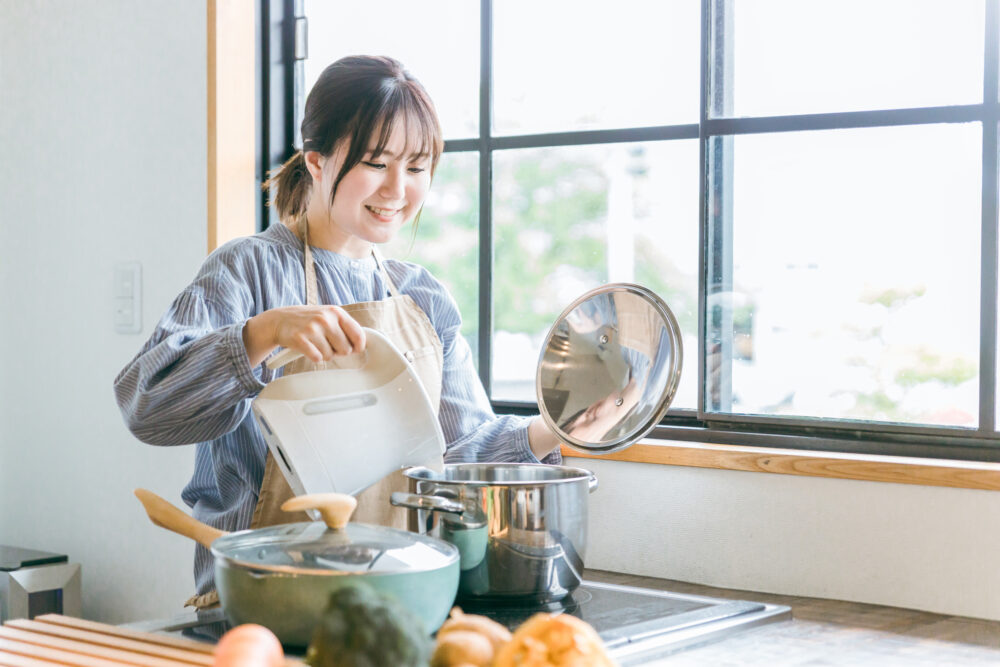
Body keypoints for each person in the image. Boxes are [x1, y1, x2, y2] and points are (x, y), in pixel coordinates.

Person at [113, 55, 562, 607]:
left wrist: (557, 430)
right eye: (376, 162)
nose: (398, 189)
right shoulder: (246, 270)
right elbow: (147, 406)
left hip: (395, 598)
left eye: (418, 167)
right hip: (265, 601)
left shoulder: (421, 297)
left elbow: (455, 451)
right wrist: (263, 333)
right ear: (317, 162)